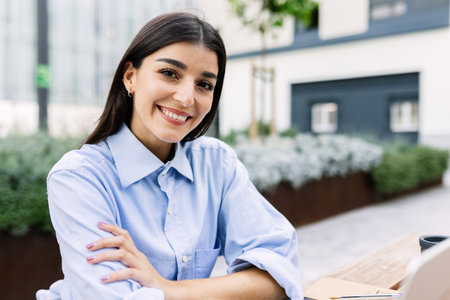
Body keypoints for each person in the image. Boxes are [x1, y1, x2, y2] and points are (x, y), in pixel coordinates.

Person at [36, 12, 303, 300]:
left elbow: (280, 273)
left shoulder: (216, 165)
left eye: (204, 84)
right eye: (169, 73)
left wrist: (168, 289)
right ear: (130, 77)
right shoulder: (80, 178)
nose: (187, 98)